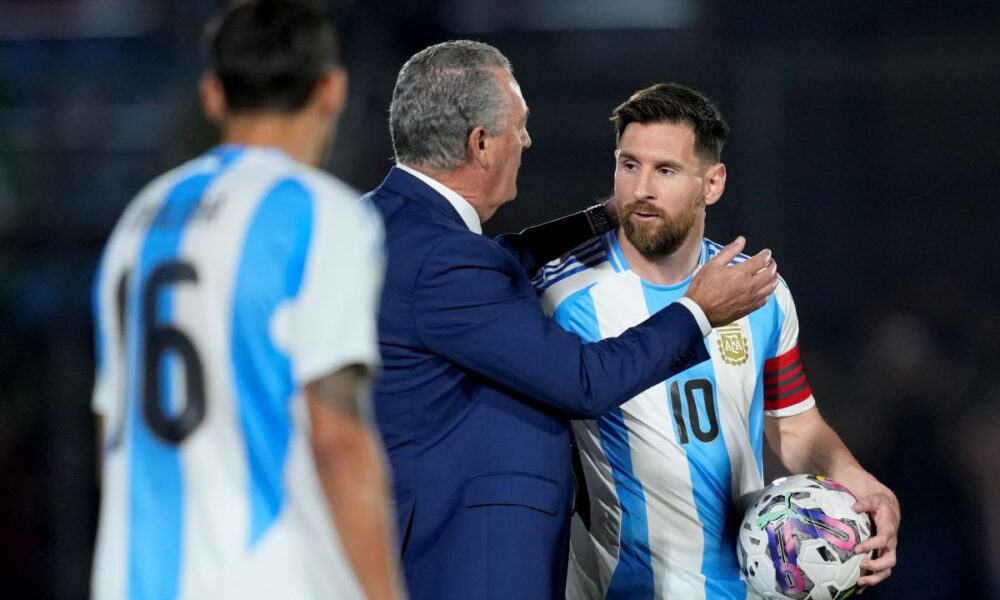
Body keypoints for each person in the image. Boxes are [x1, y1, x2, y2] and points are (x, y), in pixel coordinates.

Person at [366, 41, 779, 600]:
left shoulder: (383, 223)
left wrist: (604, 216)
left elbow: (499, 262)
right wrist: (698, 310)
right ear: (481, 143)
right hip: (470, 559)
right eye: (520, 127)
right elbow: (585, 382)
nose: (528, 142)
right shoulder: (447, 260)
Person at [536, 82, 901, 599]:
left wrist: (862, 482)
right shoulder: (561, 297)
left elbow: (795, 425)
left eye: (665, 170)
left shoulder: (761, 293)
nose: (641, 188)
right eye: (629, 164)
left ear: (713, 183)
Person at [89, 1, 398, 598]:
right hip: (269, 578)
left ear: (213, 94)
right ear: (331, 89)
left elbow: (113, 439)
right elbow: (336, 437)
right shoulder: (321, 214)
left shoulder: (137, 223)